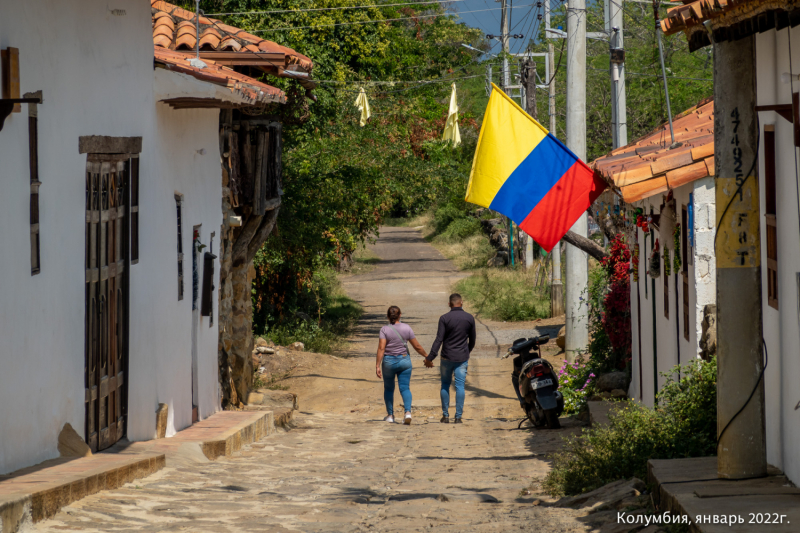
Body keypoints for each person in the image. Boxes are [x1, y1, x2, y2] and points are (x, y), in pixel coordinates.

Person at [425, 293, 476, 423]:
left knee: (445, 385)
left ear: (449, 304)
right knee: (460, 386)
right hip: (462, 358)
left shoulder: (444, 318)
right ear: (462, 302)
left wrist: (430, 357)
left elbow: (439, 339)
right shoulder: (469, 318)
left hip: (446, 357)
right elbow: (473, 340)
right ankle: (458, 417)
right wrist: (466, 352)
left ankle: (445, 415)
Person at [376, 306, 428, 424]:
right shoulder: (406, 328)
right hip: (404, 361)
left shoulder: (384, 330)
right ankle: (408, 413)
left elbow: (381, 348)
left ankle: (390, 415)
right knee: (405, 388)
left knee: (389, 389)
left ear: (388, 316)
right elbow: (417, 346)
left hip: (388, 362)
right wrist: (427, 356)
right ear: (400, 315)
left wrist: (377, 365)